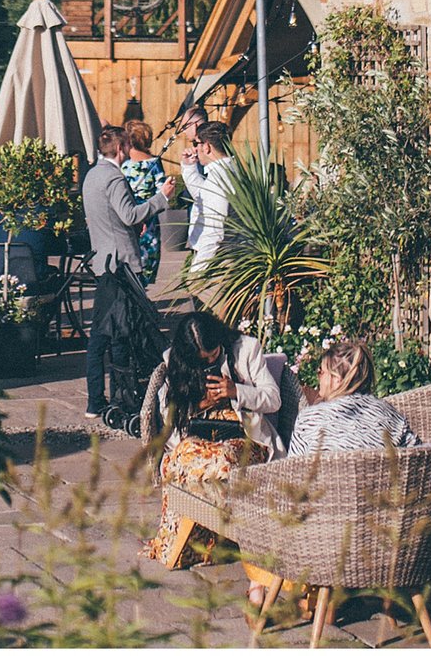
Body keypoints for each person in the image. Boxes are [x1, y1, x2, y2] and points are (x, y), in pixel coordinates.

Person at [140, 309, 302, 567]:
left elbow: (274, 399)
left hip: (245, 438)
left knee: (222, 460)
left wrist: (236, 391)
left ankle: (191, 544)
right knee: (177, 461)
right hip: (196, 439)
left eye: (213, 355)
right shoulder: (177, 360)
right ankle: (202, 542)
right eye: (202, 360)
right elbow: (167, 413)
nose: (209, 362)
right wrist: (200, 403)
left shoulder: (246, 349)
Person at [82, 122, 176, 423]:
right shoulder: (114, 178)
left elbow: (111, 218)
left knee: (102, 334)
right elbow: (129, 214)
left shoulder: (91, 175)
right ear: (121, 148)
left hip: (103, 263)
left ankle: (98, 399)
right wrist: (161, 197)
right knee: (122, 333)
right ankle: (123, 397)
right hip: (121, 266)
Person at [283, 340, 421, 459]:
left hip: (325, 489)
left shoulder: (309, 420)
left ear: (336, 379)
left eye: (321, 372)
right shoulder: (390, 415)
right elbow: (417, 455)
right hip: (385, 488)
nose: (317, 377)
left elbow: (293, 471)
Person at [178, 119, 235, 279]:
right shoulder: (226, 171)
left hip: (215, 262)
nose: (195, 149)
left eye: (197, 144)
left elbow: (215, 231)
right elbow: (203, 196)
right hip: (217, 256)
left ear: (207, 146)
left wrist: (197, 271)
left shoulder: (219, 178)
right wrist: (189, 168)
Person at [120, 120, 166, 280]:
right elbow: (162, 192)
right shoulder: (154, 163)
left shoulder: (123, 165)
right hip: (149, 215)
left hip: (127, 216)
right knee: (145, 261)